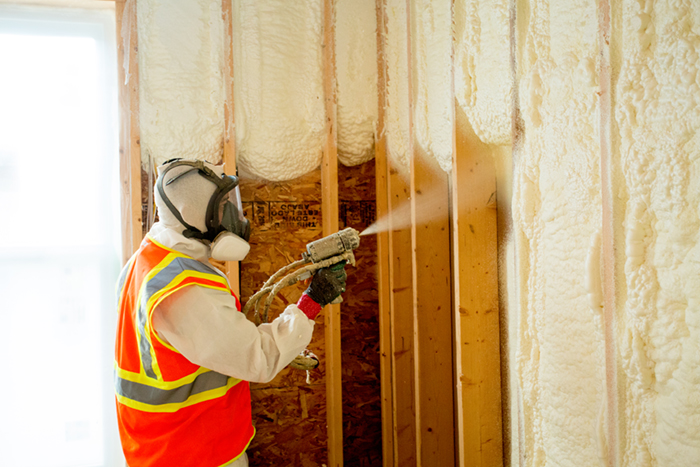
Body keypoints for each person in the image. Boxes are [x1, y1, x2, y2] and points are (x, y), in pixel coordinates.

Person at [114, 159, 346, 467]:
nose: (233, 214)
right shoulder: (184, 290)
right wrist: (313, 300)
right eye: (223, 204)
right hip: (194, 455)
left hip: (165, 447)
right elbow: (259, 357)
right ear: (193, 213)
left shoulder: (147, 262)